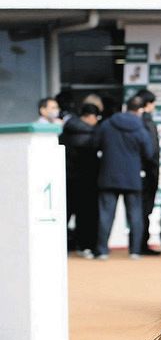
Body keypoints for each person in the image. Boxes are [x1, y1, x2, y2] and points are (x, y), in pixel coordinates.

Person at [94, 94, 155, 259]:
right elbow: (149, 153)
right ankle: (135, 251)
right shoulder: (141, 128)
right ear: (140, 110)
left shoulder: (107, 124)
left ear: (124, 107)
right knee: (135, 215)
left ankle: (102, 251)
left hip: (108, 175)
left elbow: (95, 144)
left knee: (105, 215)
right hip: (132, 177)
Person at [59, 102, 102, 256]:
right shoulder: (94, 135)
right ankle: (84, 246)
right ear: (90, 117)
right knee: (86, 216)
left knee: (64, 213)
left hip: (66, 178)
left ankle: (60, 246)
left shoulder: (65, 131)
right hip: (87, 180)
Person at [135, 89, 161, 255]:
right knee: (144, 210)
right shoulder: (147, 122)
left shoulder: (137, 121)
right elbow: (151, 151)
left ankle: (139, 244)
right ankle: (141, 245)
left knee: (141, 210)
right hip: (149, 172)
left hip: (141, 171)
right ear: (148, 104)